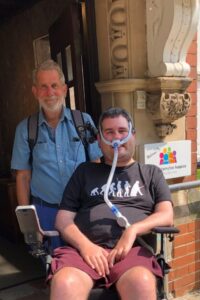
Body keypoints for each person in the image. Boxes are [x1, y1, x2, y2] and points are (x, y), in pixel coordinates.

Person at [49, 107, 174, 300]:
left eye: (122, 131)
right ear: (99, 140)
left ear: (133, 135)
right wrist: (86, 247)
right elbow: (63, 220)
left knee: (141, 281)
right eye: (109, 132)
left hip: (131, 253)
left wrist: (132, 230)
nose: (116, 137)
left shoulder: (151, 173)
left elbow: (166, 215)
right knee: (65, 283)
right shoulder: (84, 172)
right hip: (83, 254)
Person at [11, 59, 102, 248]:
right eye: (43, 87)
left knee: (87, 261)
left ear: (64, 89)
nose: (49, 93)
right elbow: (23, 177)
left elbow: (96, 164)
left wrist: (98, 208)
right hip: (45, 211)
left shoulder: (83, 122)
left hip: (81, 209)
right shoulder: (25, 129)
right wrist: (29, 223)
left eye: (54, 86)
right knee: (51, 265)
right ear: (35, 92)